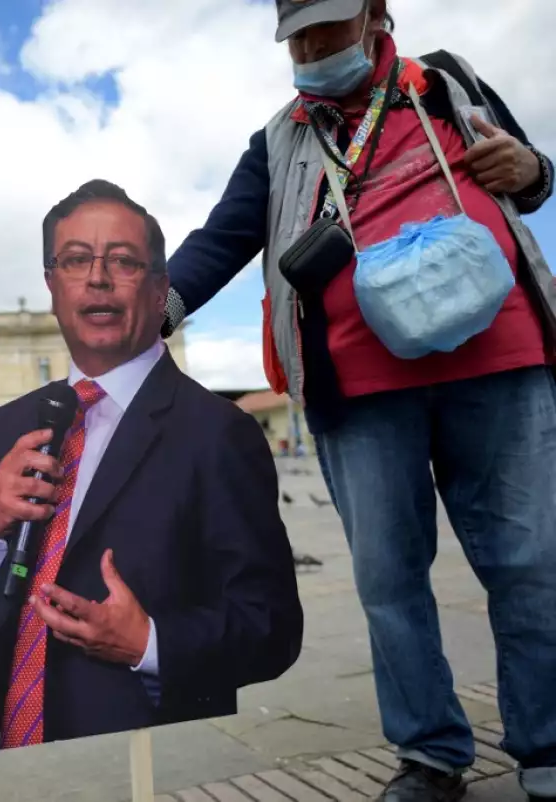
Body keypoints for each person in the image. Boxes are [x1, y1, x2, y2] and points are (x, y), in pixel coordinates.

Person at [159, 2, 556, 800]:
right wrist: (142, 314)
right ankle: (432, 754)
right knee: (387, 579)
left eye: (329, 28)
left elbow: (534, 178)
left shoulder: (446, 82)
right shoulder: (277, 140)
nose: (311, 47)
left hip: (500, 362)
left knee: (534, 565)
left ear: (377, 14)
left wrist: (535, 170)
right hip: (361, 387)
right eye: (298, 35)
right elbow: (219, 240)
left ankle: (546, 747)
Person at [0, 179, 303, 753]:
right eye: (75, 260)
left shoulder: (220, 434)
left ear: (159, 286)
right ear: (51, 285)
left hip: (148, 772)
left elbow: (272, 629)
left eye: (122, 260)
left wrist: (150, 642)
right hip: (9, 773)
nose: (97, 277)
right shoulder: (5, 428)